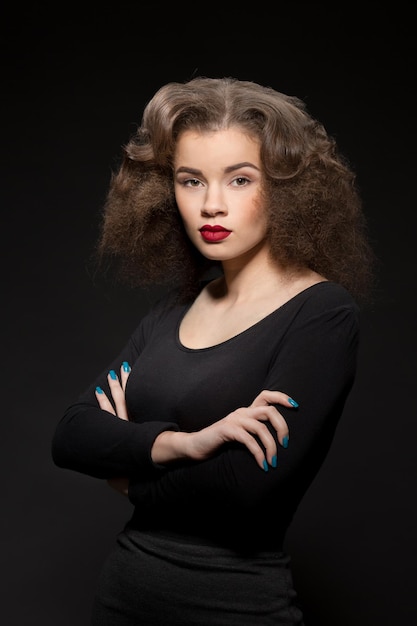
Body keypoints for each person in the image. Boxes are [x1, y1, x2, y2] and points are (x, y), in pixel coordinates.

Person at [51, 76, 374, 625]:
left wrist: (126, 471)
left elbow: (245, 493)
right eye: (191, 180)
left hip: (233, 609)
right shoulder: (172, 311)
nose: (212, 205)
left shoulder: (322, 314)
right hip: (120, 600)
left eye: (240, 179)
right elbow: (72, 435)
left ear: (285, 188)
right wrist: (185, 443)